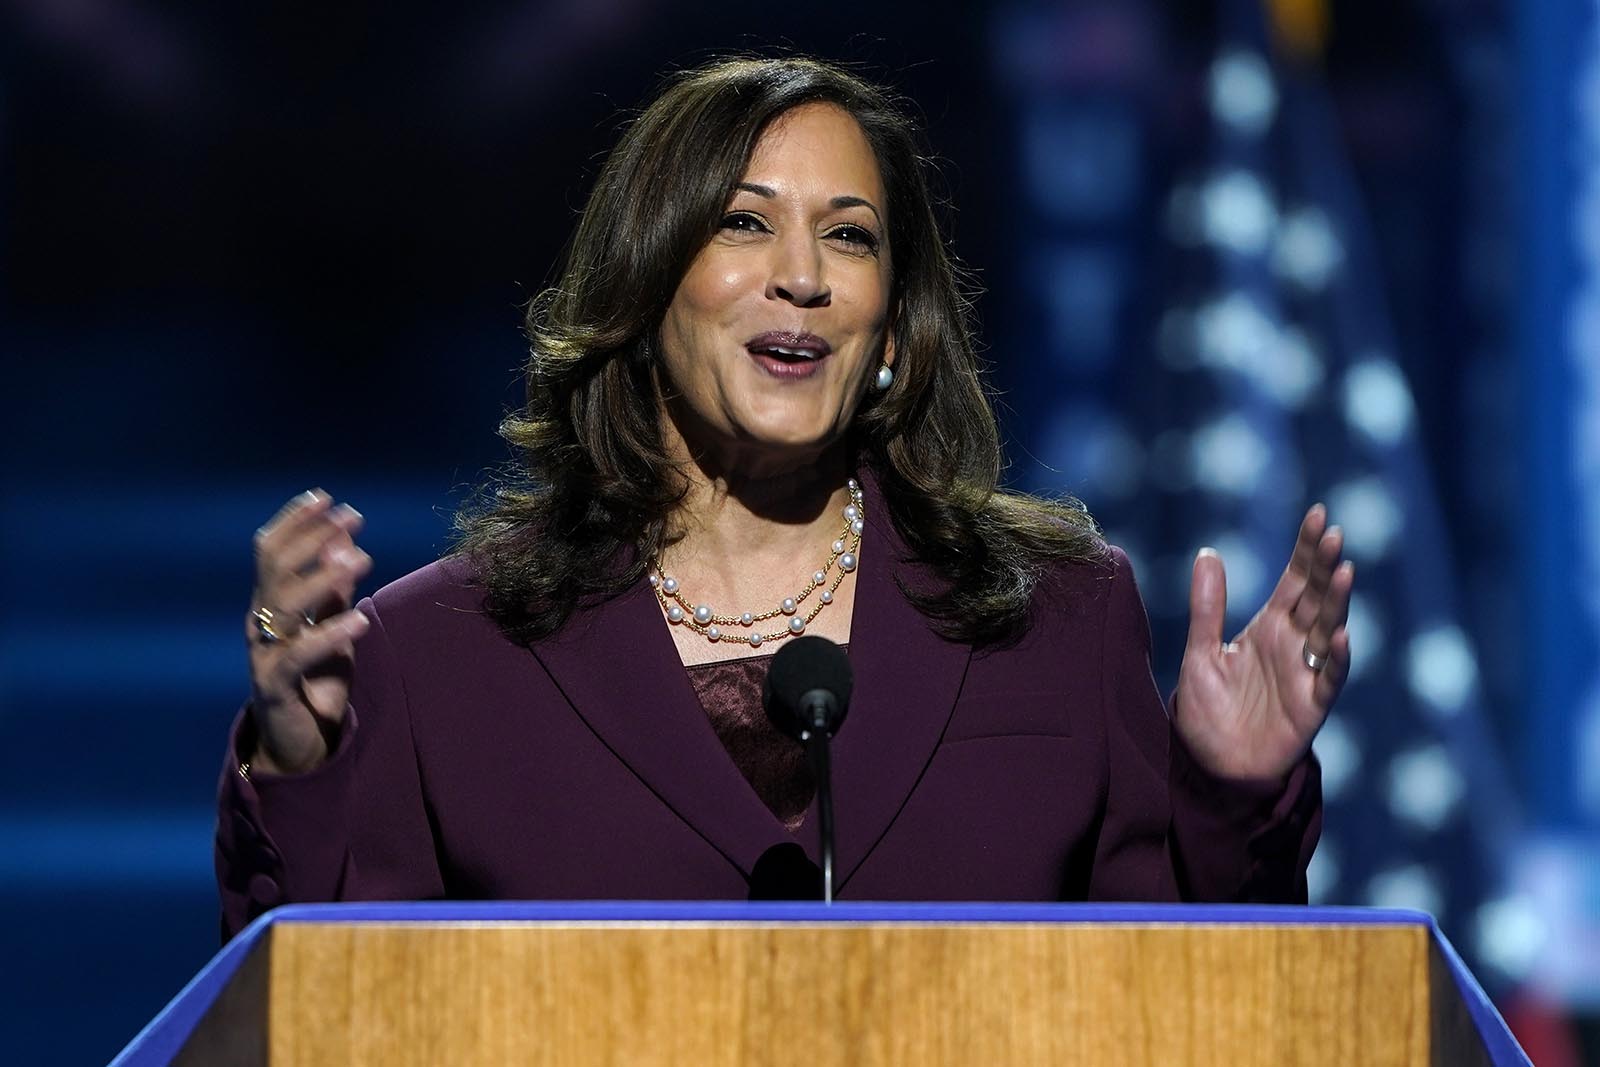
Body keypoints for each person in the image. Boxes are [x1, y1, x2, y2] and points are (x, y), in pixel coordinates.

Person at [217, 56, 1350, 939]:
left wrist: (1230, 794)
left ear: (893, 327)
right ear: (646, 284)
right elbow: (331, 1015)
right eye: (743, 221)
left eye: (848, 236)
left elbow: (1179, 1001)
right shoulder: (439, 652)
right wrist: (299, 770)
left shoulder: (1055, 617)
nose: (801, 275)